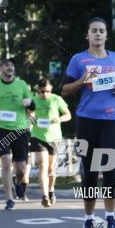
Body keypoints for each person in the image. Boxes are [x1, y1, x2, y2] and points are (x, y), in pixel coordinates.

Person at [62, 17, 115, 228]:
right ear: (88, 35)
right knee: (90, 172)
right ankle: (89, 220)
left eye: (102, 31)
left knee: (110, 169)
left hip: (113, 119)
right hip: (87, 119)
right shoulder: (78, 59)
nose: (98, 34)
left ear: (106, 35)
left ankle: (110, 218)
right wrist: (83, 80)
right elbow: (65, 90)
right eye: (94, 31)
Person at [0, 58, 35, 210]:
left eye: (12, 65)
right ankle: (9, 198)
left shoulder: (22, 84)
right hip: (1, 128)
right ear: (1, 68)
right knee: (6, 162)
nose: (10, 67)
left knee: (21, 167)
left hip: (20, 129)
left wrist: (29, 103)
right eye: (7, 65)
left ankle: (18, 181)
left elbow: (33, 104)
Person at [30, 79, 71, 207]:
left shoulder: (56, 99)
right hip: (38, 136)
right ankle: (45, 196)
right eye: (43, 92)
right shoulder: (34, 100)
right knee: (42, 165)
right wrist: (32, 118)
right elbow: (29, 114)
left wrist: (59, 119)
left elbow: (68, 115)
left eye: (48, 91)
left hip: (53, 138)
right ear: (38, 91)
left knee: (51, 170)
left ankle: (51, 189)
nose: (46, 94)